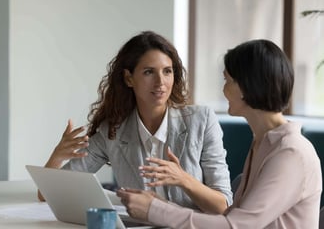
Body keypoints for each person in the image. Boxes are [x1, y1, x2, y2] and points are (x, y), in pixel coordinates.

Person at [117, 39, 322, 228]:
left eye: (227, 80)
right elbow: (232, 217)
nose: (223, 90)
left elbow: (236, 226)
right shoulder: (263, 143)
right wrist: (162, 205)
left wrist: (156, 210)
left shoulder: (290, 153)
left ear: (246, 86)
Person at [39, 30, 233, 214]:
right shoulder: (113, 131)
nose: (160, 82)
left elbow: (223, 205)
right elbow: (47, 195)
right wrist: (57, 156)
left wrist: (183, 180)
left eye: (167, 71)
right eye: (149, 72)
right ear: (129, 78)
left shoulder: (202, 120)